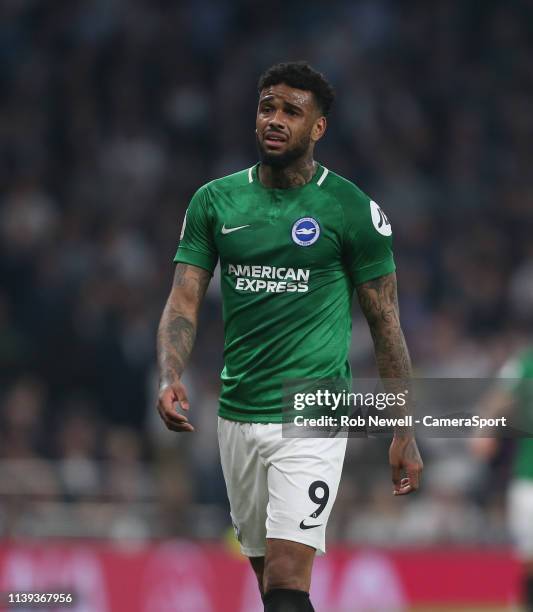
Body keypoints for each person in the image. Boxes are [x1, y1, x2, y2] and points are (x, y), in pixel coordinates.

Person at [156, 61, 423, 612]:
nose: (274, 120)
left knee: (286, 575)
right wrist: (171, 373)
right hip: (237, 411)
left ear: (317, 128)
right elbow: (183, 299)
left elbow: (386, 322)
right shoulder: (215, 202)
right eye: (267, 107)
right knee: (269, 585)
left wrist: (404, 429)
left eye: (291, 111)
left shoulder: (351, 210)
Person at [471, 346, 533, 611]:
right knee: (528, 555)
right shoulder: (527, 363)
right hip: (529, 477)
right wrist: (484, 429)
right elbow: (500, 395)